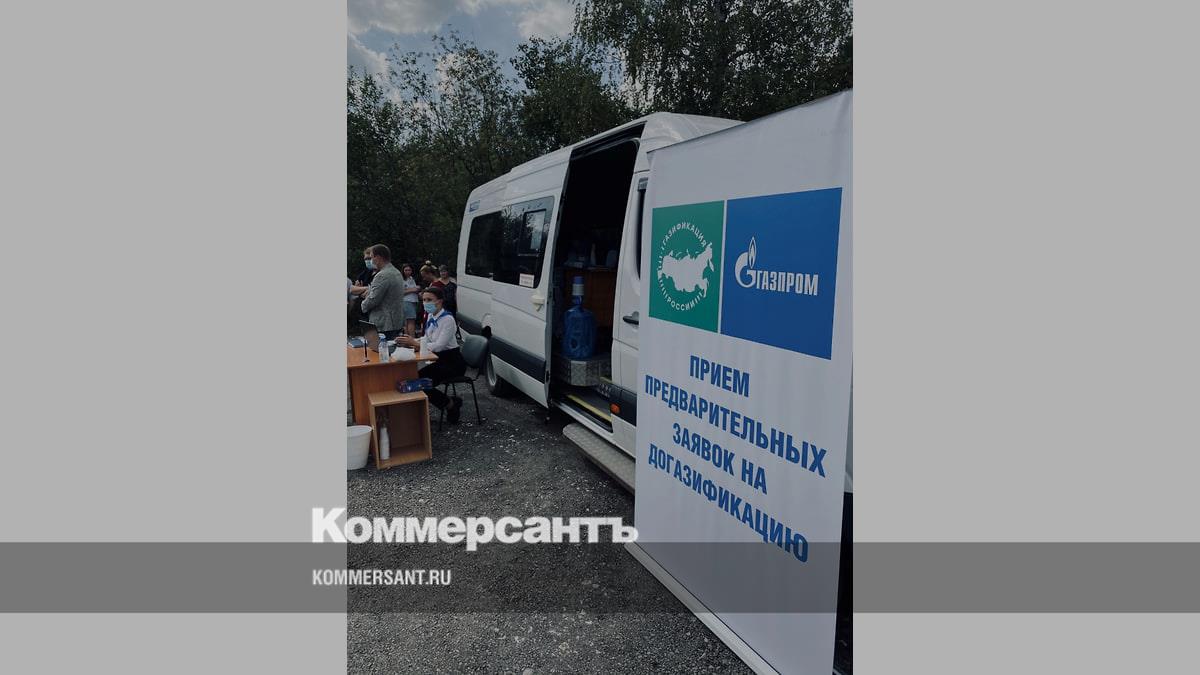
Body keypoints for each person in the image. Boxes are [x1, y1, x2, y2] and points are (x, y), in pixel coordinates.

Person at [396, 287, 464, 423]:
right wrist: (411, 341)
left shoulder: (448, 319)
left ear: (440, 301)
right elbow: (426, 339)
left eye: (429, 300)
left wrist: (415, 344)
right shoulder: (431, 316)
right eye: (424, 300)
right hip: (437, 360)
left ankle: (450, 404)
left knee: (418, 382)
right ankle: (436, 407)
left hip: (452, 362)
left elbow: (439, 346)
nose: (425, 303)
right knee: (413, 378)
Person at [358, 244, 406, 335]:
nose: (370, 261)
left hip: (384, 324)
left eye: (371, 257)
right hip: (396, 321)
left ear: (378, 257)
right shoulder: (396, 272)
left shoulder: (382, 275)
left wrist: (363, 304)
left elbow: (373, 299)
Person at [400, 262, 420, 336]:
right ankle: (411, 338)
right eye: (406, 270)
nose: (408, 272)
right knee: (410, 321)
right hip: (406, 301)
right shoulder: (401, 280)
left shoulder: (412, 279)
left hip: (413, 301)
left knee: (409, 321)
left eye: (409, 270)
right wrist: (413, 289)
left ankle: (408, 337)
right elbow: (400, 292)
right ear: (403, 271)